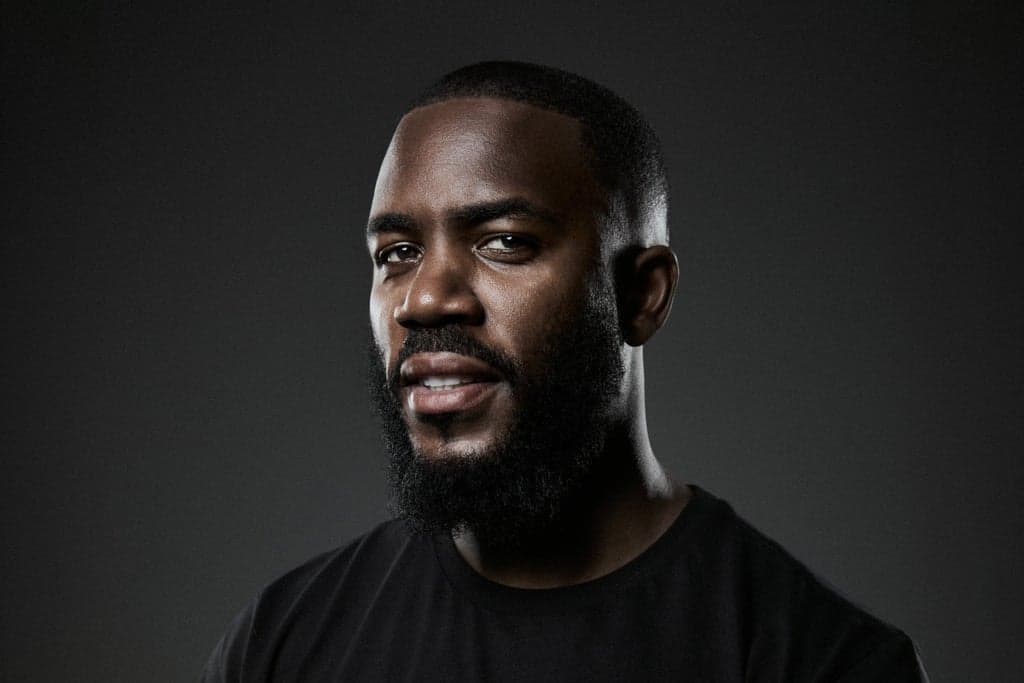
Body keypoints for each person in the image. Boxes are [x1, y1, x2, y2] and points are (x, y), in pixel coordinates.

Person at [201, 61, 928, 682]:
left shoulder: (820, 661)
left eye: (504, 242)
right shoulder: (280, 644)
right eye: (397, 254)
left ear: (641, 295)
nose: (423, 299)